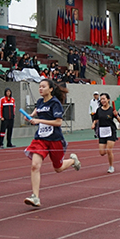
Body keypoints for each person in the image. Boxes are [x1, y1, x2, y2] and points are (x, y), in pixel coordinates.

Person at [23, 79, 81, 207]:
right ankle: (35, 197)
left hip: (55, 140)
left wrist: (39, 121)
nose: (40, 89)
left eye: (43, 86)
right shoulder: (39, 102)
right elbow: (34, 115)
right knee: (35, 166)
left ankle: (72, 160)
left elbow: (58, 122)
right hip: (40, 140)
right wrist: (29, 117)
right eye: (39, 87)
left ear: (50, 89)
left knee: (58, 168)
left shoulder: (55, 103)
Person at [92, 93, 120, 173]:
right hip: (102, 132)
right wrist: (93, 124)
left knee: (109, 150)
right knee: (102, 153)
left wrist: (117, 115)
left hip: (111, 131)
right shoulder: (99, 110)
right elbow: (95, 119)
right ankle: (108, 153)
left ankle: (111, 166)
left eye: (104, 99)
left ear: (108, 99)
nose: (102, 100)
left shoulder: (112, 110)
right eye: (101, 99)